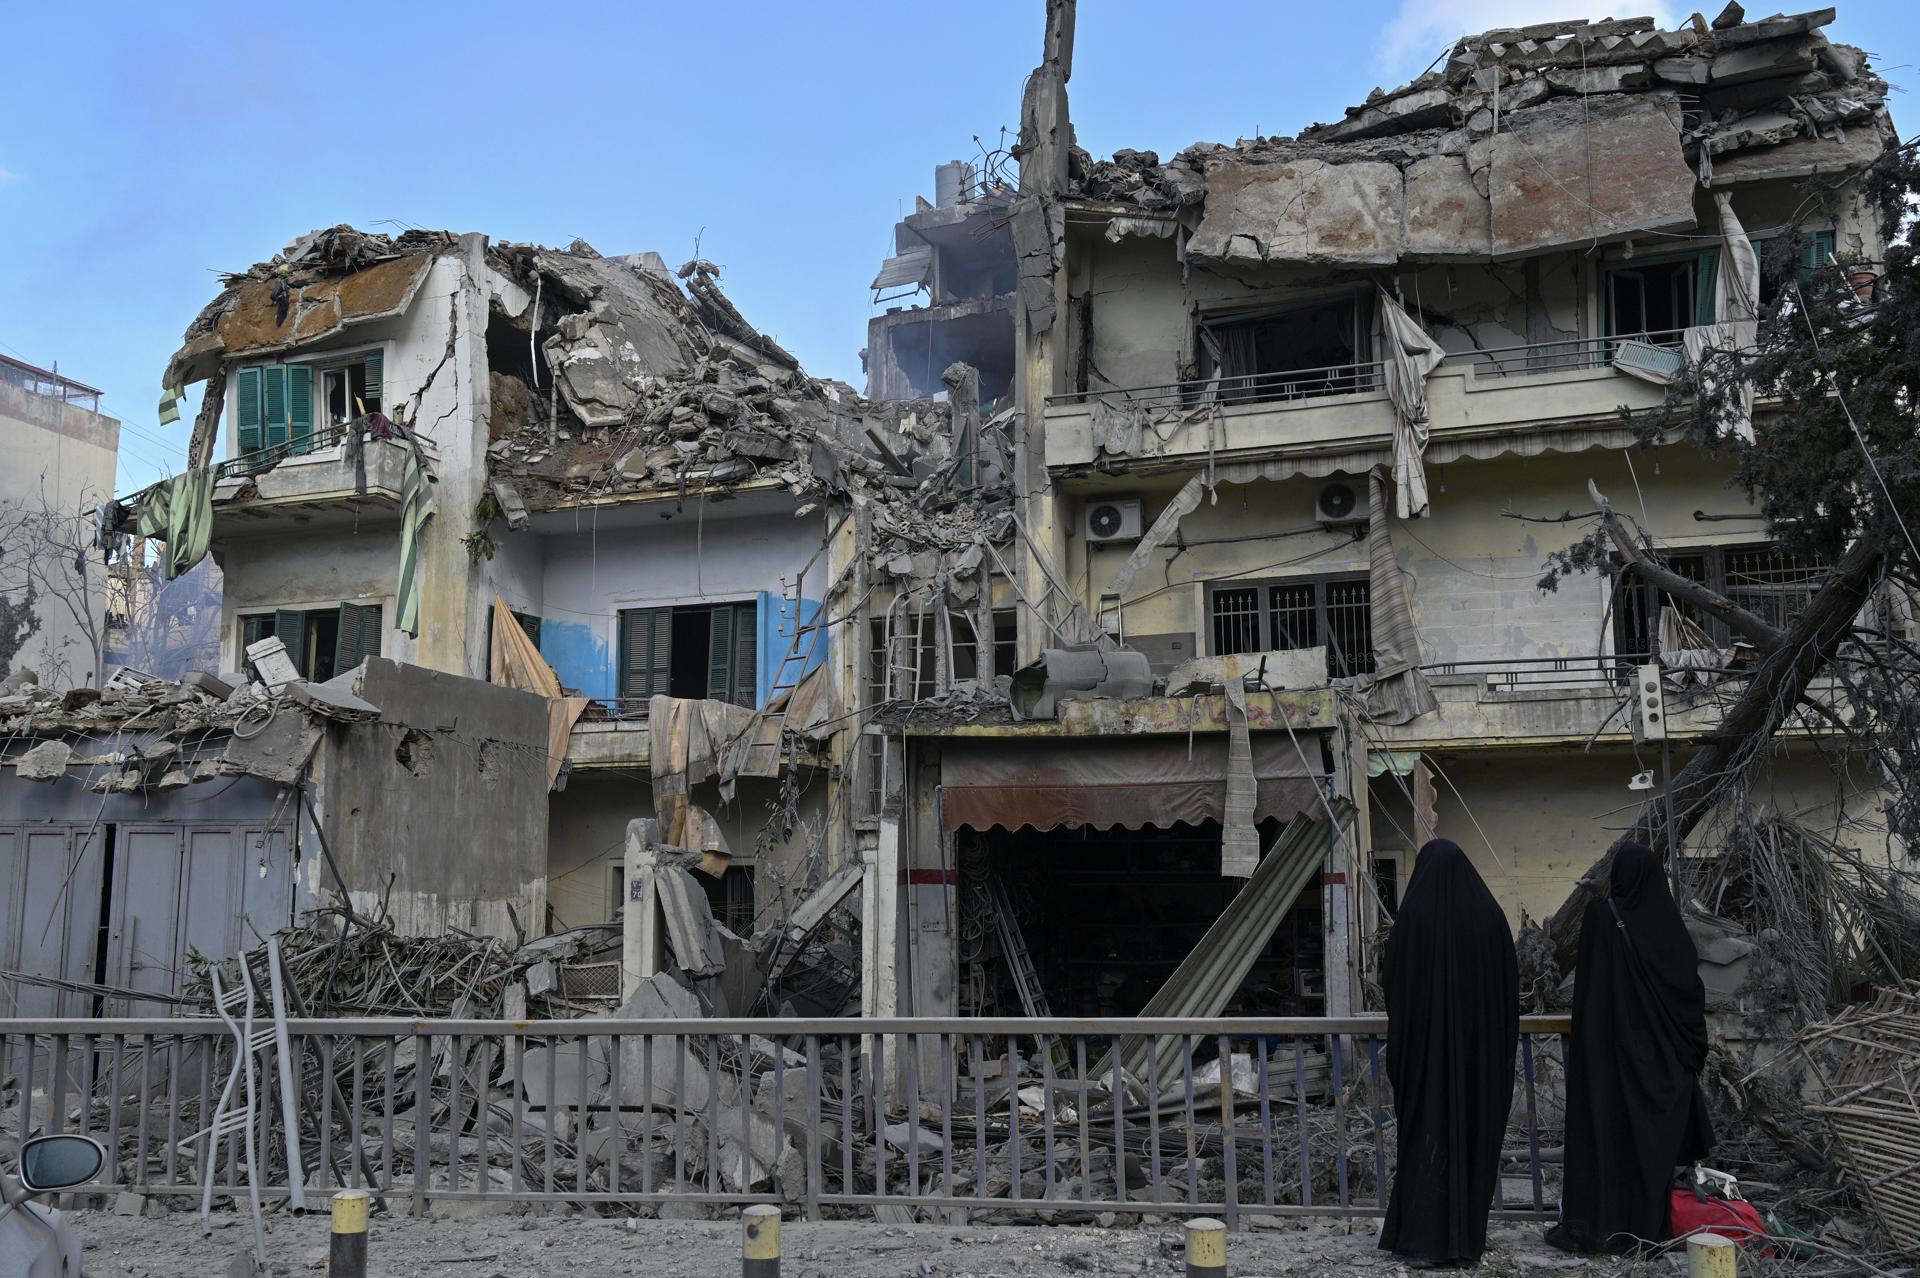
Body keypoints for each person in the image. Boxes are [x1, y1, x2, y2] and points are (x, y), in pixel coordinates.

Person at [1548, 841, 1713, 1255]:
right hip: (1663, 1069)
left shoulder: (1602, 918)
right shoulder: (1670, 927)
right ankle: (1647, 1232)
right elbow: (1690, 996)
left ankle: (1602, 1228)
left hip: (1610, 1064)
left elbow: (1589, 997)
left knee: (1608, 1144)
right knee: (1650, 1153)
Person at [1379, 839, 1519, 1268]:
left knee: (1425, 1141)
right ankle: (1466, 1241)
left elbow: (1395, 989)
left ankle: (1421, 1240)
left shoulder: (1413, 919)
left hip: (1424, 1064)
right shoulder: (1491, 919)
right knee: (1472, 1140)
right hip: (1480, 1065)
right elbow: (1507, 992)